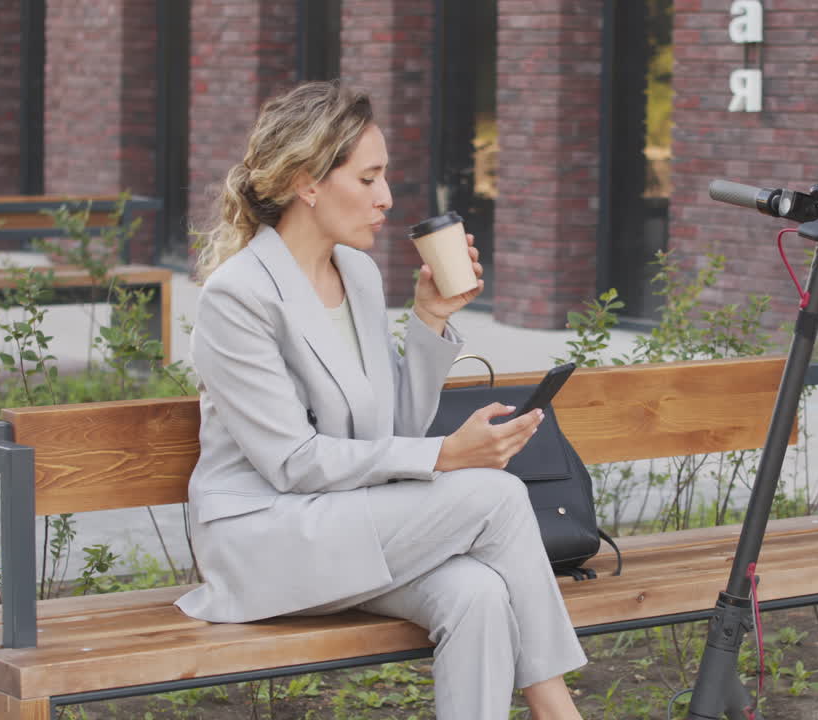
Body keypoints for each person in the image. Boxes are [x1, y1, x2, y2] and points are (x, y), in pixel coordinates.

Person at [176, 80, 588, 720]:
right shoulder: (238, 297)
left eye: (384, 178)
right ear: (308, 182)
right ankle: (557, 708)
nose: (387, 199)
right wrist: (446, 456)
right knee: (498, 493)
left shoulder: (360, 275)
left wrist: (427, 320)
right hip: (266, 539)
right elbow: (293, 462)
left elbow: (392, 428)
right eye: (369, 179)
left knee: (477, 593)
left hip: (351, 524)